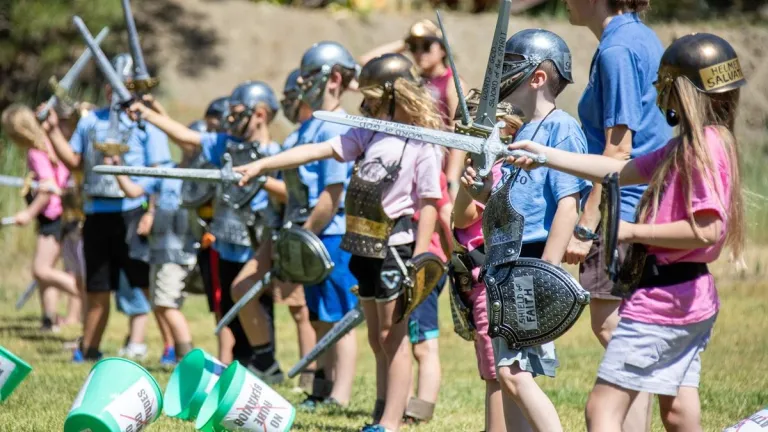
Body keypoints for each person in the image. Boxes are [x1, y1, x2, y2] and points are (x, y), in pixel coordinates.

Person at [506, 32, 745, 432]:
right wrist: (545, 156)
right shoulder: (697, 144)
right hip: (691, 298)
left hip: (661, 301)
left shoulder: (699, 148)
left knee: (602, 411)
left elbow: (708, 229)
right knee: (678, 413)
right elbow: (617, 170)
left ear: (677, 90)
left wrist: (631, 230)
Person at [236, 53, 443, 432]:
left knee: (393, 338)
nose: (367, 105)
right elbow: (316, 151)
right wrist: (263, 166)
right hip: (362, 248)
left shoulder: (422, 144)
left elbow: (430, 202)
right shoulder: (368, 133)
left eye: (374, 99)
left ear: (394, 97)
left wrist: (421, 254)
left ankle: (391, 422)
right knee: (377, 340)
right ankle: (381, 410)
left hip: (395, 250)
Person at [460, 29, 590, 432]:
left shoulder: (560, 129)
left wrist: (546, 272)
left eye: (511, 69)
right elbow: (511, 197)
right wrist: (481, 190)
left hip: (532, 262)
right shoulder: (522, 133)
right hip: (507, 260)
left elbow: (568, 203)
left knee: (515, 372)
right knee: (508, 372)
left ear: (537, 78)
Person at [563, 1, 674, 428]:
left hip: (623, 207)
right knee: (626, 333)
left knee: (615, 331)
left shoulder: (618, 50)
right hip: (644, 200)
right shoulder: (638, 37)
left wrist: (587, 224)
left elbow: (617, 150)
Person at [127, 81, 285, 378]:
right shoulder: (224, 144)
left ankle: (266, 363)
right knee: (228, 308)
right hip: (225, 242)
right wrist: (148, 115)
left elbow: (286, 195)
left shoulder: (277, 153)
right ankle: (240, 366)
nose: (231, 119)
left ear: (260, 115)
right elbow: (187, 136)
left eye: (239, 113)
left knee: (258, 307)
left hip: (257, 244)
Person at [234, 41, 361, 411]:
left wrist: (305, 233)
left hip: (330, 234)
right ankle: (319, 388)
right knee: (320, 316)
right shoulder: (308, 128)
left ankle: (340, 395)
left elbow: (331, 194)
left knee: (338, 318)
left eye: (309, 75)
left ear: (333, 78)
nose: (302, 83)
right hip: (307, 232)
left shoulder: (336, 126)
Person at [45, 53, 172, 362]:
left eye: (126, 86)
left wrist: (151, 211)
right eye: (114, 86)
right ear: (106, 89)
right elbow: (75, 161)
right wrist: (50, 131)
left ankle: (172, 347)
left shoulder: (146, 125)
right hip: (98, 213)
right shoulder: (90, 122)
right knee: (97, 286)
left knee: (145, 285)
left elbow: (159, 172)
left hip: (133, 212)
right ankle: (88, 348)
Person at [450, 91, 525, 432]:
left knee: (497, 371)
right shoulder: (487, 167)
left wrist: (473, 180)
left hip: (493, 277)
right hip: (486, 276)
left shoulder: (502, 167)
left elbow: (464, 221)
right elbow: (461, 222)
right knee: (497, 369)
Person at [359, 19, 469, 196]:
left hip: (439, 164)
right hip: (411, 160)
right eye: (414, 47)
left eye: (426, 46)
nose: (419, 53)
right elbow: (367, 64)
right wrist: (405, 43)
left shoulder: (451, 82)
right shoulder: (410, 81)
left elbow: (461, 132)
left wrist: (451, 178)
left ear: (442, 49)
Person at [1, 104, 80, 332]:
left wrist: (28, 213)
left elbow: (47, 188)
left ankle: (82, 292)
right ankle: (49, 319)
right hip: (63, 214)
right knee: (50, 269)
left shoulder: (37, 151)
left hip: (53, 216)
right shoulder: (52, 143)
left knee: (40, 270)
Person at [112, 157, 197, 364]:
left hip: (179, 252)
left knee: (167, 305)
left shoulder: (202, 173)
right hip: (158, 249)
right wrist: (116, 167)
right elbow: (133, 191)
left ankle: (189, 361)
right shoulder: (167, 170)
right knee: (160, 304)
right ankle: (181, 357)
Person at [403, 162, 452, 425]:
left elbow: (444, 215)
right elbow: (446, 214)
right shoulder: (431, 169)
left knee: (423, 344)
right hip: (432, 263)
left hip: (424, 266)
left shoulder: (426, 169)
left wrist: (454, 259)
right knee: (415, 341)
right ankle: (406, 404)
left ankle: (419, 411)